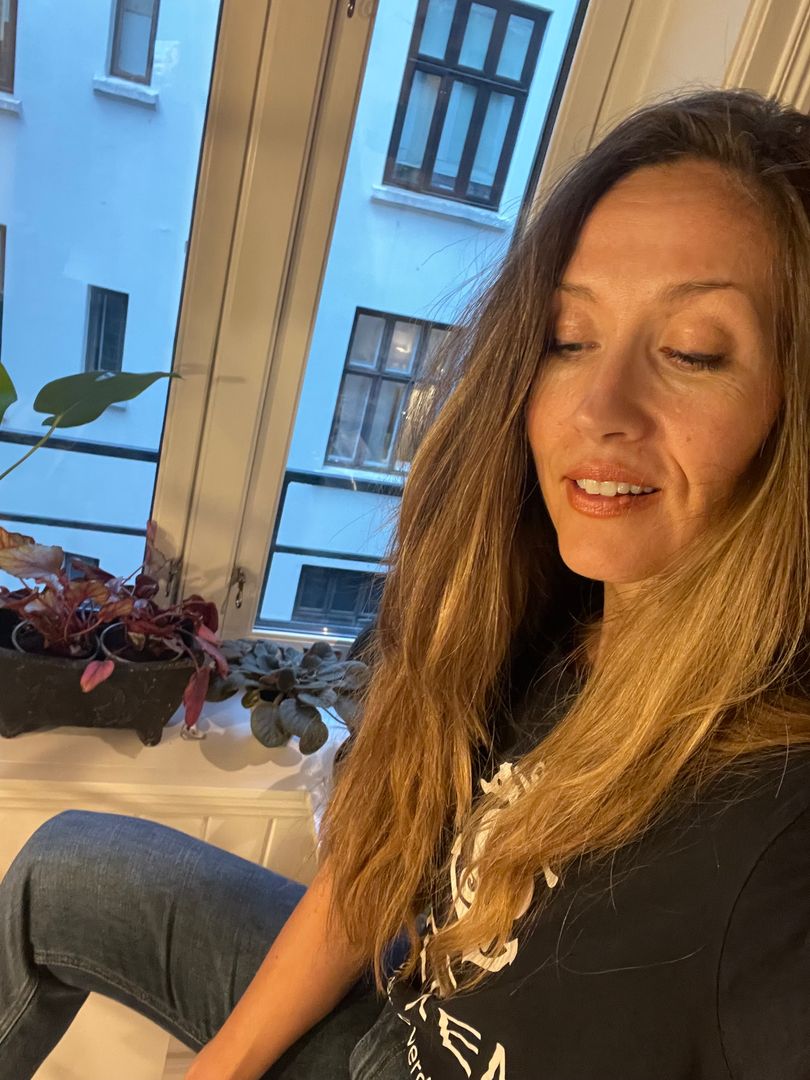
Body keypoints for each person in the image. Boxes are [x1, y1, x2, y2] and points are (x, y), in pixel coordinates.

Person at [2, 86, 810, 1080]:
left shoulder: (778, 835)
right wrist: (225, 1067)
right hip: (394, 1031)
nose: (600, 405)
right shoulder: (539, 622)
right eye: (568, 339)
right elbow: (379, 857)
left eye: (693, 352)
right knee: (62, 871)